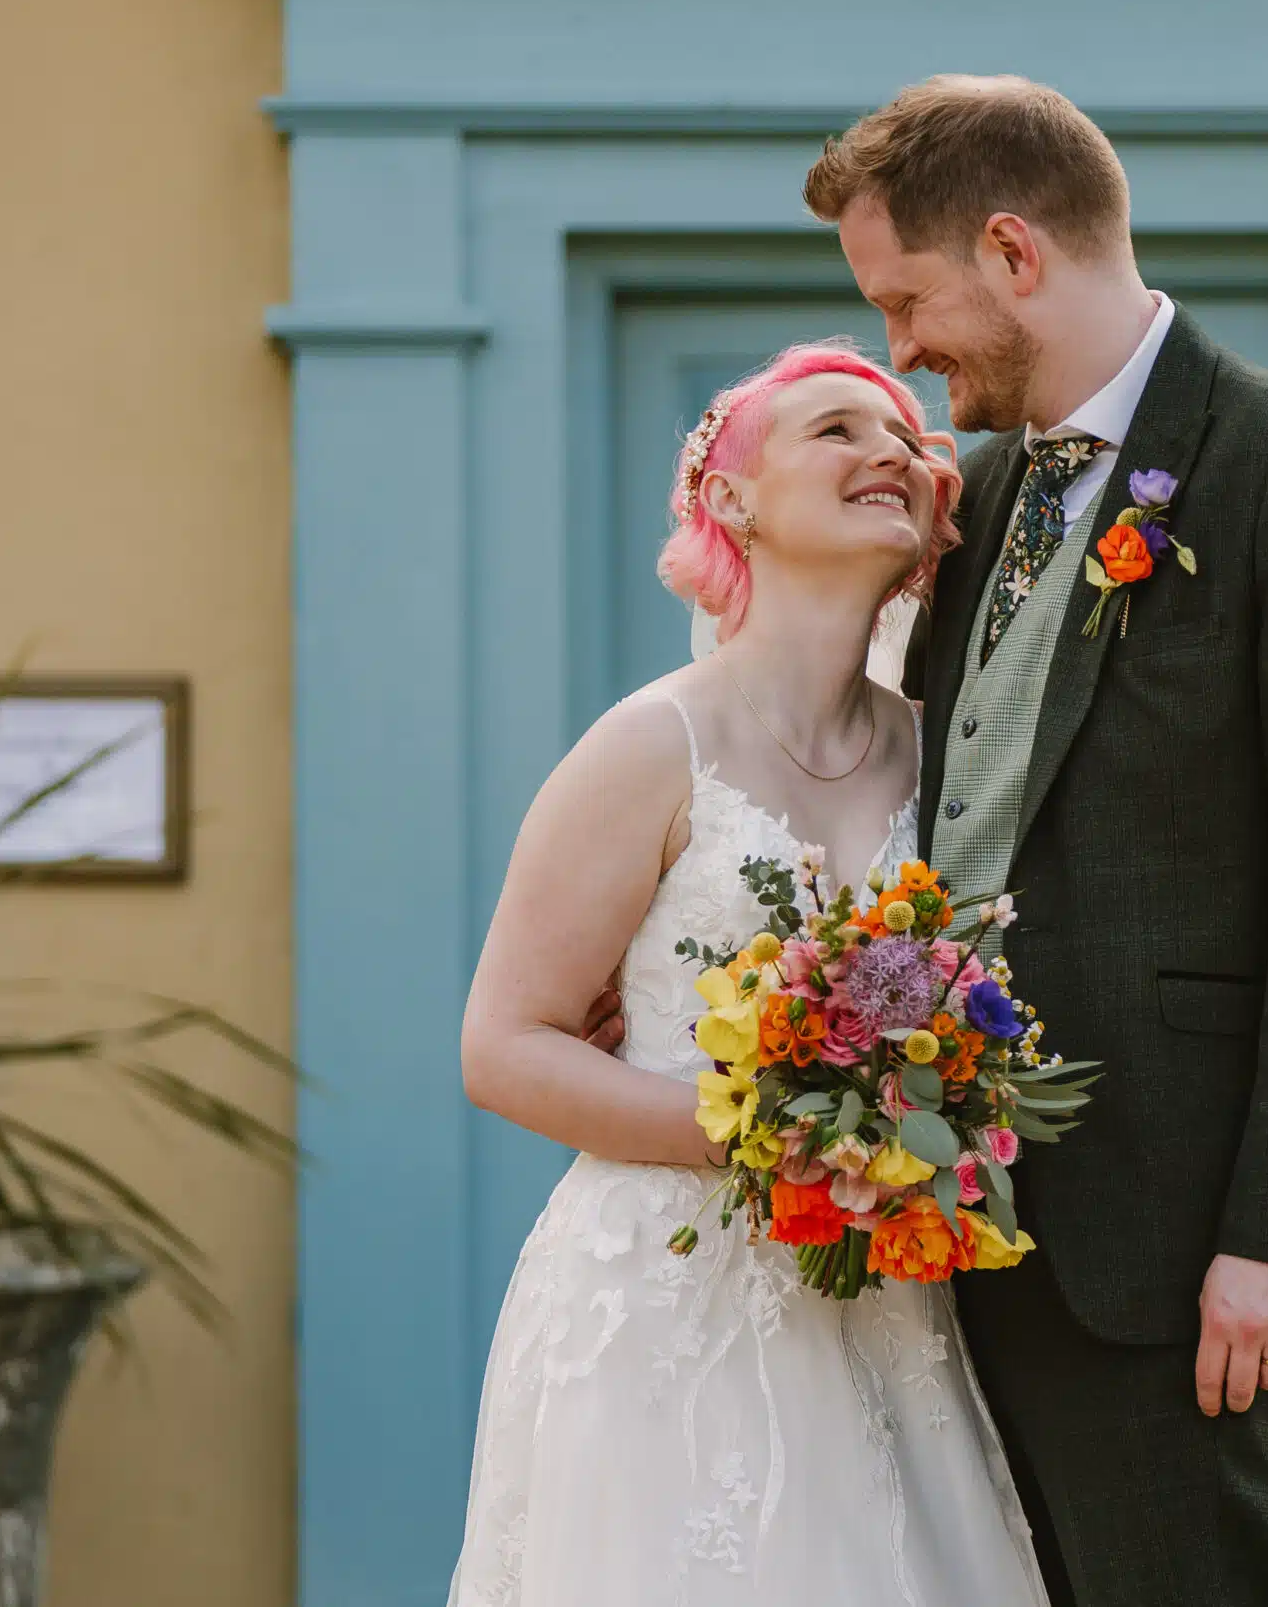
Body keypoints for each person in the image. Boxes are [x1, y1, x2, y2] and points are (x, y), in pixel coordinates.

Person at [803, 74, 1268, 1606]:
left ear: (1013, 251)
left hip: (1178, 1245)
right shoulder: (982, 498)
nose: (900, 350)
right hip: (955, 1241)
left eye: (906, 299)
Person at [443, 342, 1051, 1604]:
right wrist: (792, 1144)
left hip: (888, 1309)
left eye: (907, 439)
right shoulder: (649, 744)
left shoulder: (949, 763)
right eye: (837, 430)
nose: (888, 452)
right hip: (665, 1306)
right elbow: (503, 1046)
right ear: (729, 498)